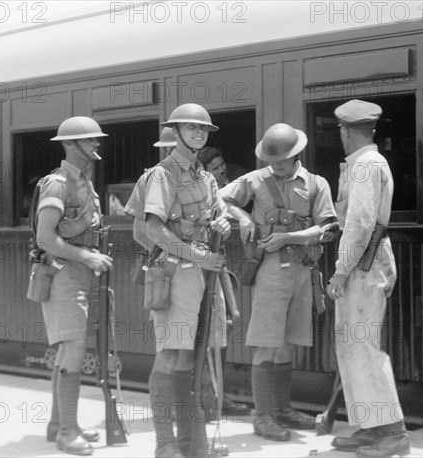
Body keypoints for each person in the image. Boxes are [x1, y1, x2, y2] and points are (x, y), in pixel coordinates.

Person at [219, 123, 338, 442]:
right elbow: (219, 199)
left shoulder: (316, 184)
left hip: (303, 270)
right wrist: (242, 217)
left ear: (296, 153)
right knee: (267, 344)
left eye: (282, 159)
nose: (276, 165)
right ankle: (263, 415)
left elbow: (328, 228)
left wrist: (291, 236)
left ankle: (282, 409)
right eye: (271, 160)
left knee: (287, 344)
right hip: (270, 270)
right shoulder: (255, 180)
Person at [125, 104, 231, 458]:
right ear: (176, 131)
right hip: (176, 270)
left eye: (203, 129)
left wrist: (223, 225)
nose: (199, 133)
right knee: (171, 355)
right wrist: (197, 256)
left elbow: (219, 216)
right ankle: (165, 444)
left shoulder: (207, 178)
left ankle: (190, 443)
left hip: (204, 272)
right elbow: (152, 229)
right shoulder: (162, 175)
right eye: (191, 128)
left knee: (193, 357)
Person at [326, 99, 410, 457]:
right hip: (367, 260)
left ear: (345, 131)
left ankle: (392, 433)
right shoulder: (366, 163)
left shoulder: (365, 166)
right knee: (352, 346)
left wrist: (339, 272)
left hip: (362, 263)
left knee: (363, 347)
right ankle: (369, 427)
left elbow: (360, 226)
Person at [34, 116, 113, 456]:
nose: (96, 144)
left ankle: (60, 425)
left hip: (78, 272)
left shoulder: (84, 182)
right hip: (64, 272)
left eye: (96, 139)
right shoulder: (58, 183)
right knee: (74, 349)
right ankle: (67, 432)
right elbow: (45, 237)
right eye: (89, 140)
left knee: (70, 350)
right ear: (69, 145)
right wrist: (87, 257)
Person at [197, 147, 253, 418]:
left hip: (220, 268)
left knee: (222, 329)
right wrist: (242, 216)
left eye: (222, 166)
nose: (222, 171)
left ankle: (216, 395)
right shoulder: (202, 191)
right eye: (215, 167)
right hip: (200, 270)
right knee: (203, 335)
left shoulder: (219, 190)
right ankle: (205, 398)